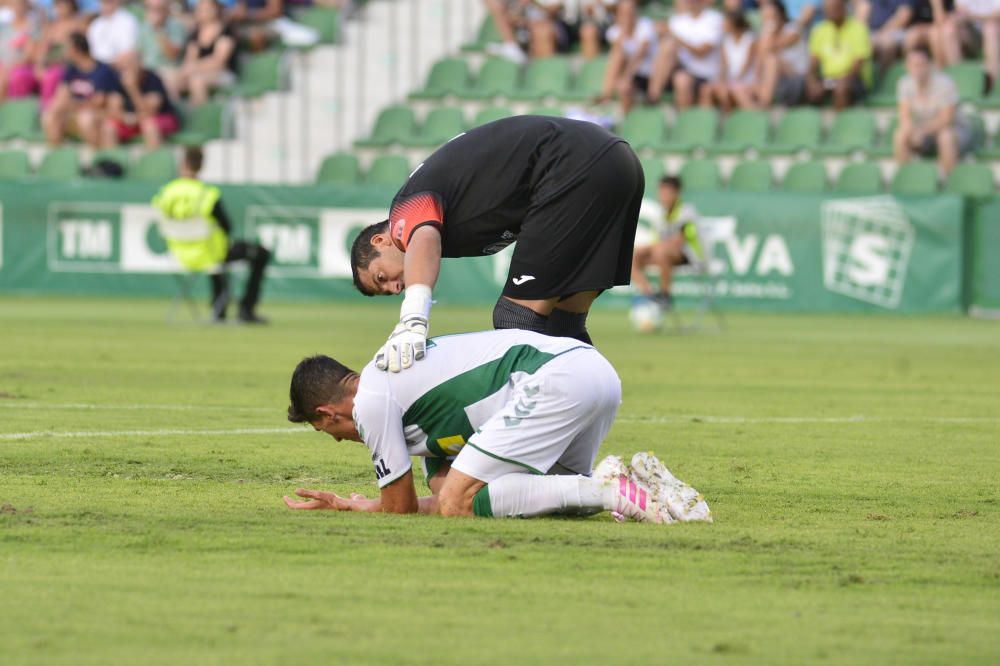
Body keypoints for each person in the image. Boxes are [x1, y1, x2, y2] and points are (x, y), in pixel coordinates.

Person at [283, 328, 712, 522]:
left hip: (556, 379)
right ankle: (638, 482)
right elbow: (447, 498)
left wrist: (353, 505)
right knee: (533, 500)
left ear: (327, 413)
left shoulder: (372, 400)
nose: (341, 440)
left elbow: (401, 509)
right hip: (592, 374)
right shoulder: (402, 399)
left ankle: (610, 488)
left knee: (460, 502)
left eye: (330, 433)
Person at [349, 115, 644, 372]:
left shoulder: (401, 213)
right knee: (561, 325)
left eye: (381, 277)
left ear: (380, 240)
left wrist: (413, 318)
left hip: (572, 165)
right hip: (617, 162)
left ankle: (540, 425)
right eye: (387, 292)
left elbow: (423, 239)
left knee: (515, 318)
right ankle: (588, 414)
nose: (393, 287)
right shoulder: (443, 220)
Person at [152, 147, 271, 324]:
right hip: (211, 253)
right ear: (201, 166)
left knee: (215, 258)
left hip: (179, 255)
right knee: (261, 253)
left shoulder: (165, 193)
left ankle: (219, 309)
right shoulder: (206, 194)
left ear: (180, 164)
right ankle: (246, 310)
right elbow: (227, 227)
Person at [893, 46, 974, 175]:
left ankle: (949, 182)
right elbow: (904, 116)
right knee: (900, 134)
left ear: (930, 65)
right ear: (907, 67)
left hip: (956, 130)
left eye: (921, 65)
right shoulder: (904, 83)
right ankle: (904, 177)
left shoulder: (944, 83)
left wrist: (922, 131)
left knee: (945, 136)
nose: (917, 69)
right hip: (925, 130)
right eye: (913, 65)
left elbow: (946, 119)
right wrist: (911, 131)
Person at [631, 176, 704, 309]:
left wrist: (652, 247)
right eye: (661, 192)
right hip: (665, 255)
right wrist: (643, 249)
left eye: (666, 193)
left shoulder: (687, 212)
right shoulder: (661, 214)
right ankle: (649, 294)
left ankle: (665, 295)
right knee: (633, 257)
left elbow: (678, 242)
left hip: (690, 257)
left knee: (661, 252)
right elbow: (656, 242)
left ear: (677, 193)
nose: (663, 196)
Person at [42, 32, 121, 147]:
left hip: (100, 115)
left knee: (86, 118)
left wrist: (73, 104)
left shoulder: (102, 71)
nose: (64, 52)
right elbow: (62, 95)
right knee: (50, 114)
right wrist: (63, 106)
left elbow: (99, 102)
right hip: (76, 112)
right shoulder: (71, 70)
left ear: (77, 50)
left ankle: (98, 157)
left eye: (67, 48)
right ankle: (56, 153)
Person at [648, 0, 725, 109]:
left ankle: (682, 118)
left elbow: (702, 52)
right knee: (668, 47)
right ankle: (653, 95)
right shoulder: (677, 20)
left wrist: (674, 36)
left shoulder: (715, 19)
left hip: (705, 74)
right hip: (680, 69)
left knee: (681, 80)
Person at [165, 0, 238, 106]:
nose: (203, 12)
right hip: (199, 71)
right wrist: (185, 72)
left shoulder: (226, 31)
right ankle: (174, 113)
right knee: (172, 78)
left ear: (216, 9)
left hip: (224, 74)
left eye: (207, 9)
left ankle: (202, 117)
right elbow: (190, 59)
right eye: (201, 9)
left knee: (197, 81)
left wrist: (192, 68)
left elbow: (219, 62)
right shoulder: (196, 33)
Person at [594, 0, 659, 115]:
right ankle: (608, 94)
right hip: (630, 74)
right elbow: (618, 54)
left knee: (624, 84)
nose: (628, 16)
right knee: (623, 84)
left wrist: (626, 76)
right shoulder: (615, 31)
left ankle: (607, 94)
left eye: (630, 12)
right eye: (624, 13)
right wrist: (624, 31)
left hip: (648, 74)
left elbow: (640, 54)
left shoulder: (645, 25)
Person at [805, 0, 873, 109]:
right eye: (828, 9)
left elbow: (856, 68)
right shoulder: (819, 30)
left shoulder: (859, 29)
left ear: (844, 8)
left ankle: (840, 123)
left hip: (853, 80)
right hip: (828, 78)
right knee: (806, 86)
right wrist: (812, 81)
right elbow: (812, 64)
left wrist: (832, 83)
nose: (831, 12)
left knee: (841, 87)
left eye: (834, 8)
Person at [102, 60, 180, 148]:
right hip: (133, 120)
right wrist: (127, 118)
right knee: (109, 127)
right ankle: (112, 159)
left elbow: (150, 112)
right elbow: (112, 110)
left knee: (149, 125)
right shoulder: (119, 80)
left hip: (160, 118)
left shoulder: (152, 79)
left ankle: (154, 159)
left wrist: (132, 88)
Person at [753, 0, 810, 106]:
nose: (768, 19)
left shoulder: (794, 29)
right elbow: (760, 56)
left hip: (797, 78)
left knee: (772, 60)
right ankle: (760, 97)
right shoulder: (766, 33)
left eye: (771, 15)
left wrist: (769, 29)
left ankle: (764, 101)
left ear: (780, 14)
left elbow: (775, 47)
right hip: (778, 80)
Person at [935, 0, 999, 90]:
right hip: (972, 33)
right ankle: (958, 78)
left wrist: (973, 16)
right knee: (948, 29)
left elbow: (997, 15)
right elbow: (961, 12)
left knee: (990, 28)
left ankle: (992, 79)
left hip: (995, 32)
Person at [700, 9, 757, 110]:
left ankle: (729, 118)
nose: (723, 25)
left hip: (746, 80)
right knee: (706, 90)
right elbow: (724, 66)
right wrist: (722, 81)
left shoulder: (750, 39)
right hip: (731, 80)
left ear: (734, 23)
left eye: (725, 22)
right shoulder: (725, 41)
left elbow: (746, 66)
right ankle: (708, 120)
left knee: (727, 91)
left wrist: (733, 82)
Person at [859, 0, 916, 73]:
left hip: (897, 31)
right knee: (859, 44)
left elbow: (904, 16)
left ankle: (884, 79)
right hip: (872, 32)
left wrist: (881, 34)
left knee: (888, 44)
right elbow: (862, 15)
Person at [86, 0, 140, 71]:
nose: (104, 5)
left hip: (119, 69)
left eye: (108, 2)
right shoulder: (95, 25)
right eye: (102, 2)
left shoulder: (128, 21)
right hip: (97, 69)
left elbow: (129, 53)